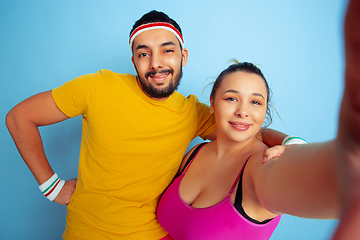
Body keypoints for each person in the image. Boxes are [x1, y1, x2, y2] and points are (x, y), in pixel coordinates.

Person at [5, 10, 290, 240]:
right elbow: (19, 118)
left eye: (167, 51)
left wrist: (291, 144)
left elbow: (249, 127)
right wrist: (51, 187)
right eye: (144, 54)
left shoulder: (193, 111)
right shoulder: (98, 87)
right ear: (134, 60)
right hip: (85, 233)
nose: (156, 63)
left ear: (183, 56)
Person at [157, 1, 360, 238]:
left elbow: (337, 180)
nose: (243, 111)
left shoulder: (261, 166)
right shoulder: (194, 153)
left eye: (255, 102)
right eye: (231, 98)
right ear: (212, 104)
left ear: (264, 110)